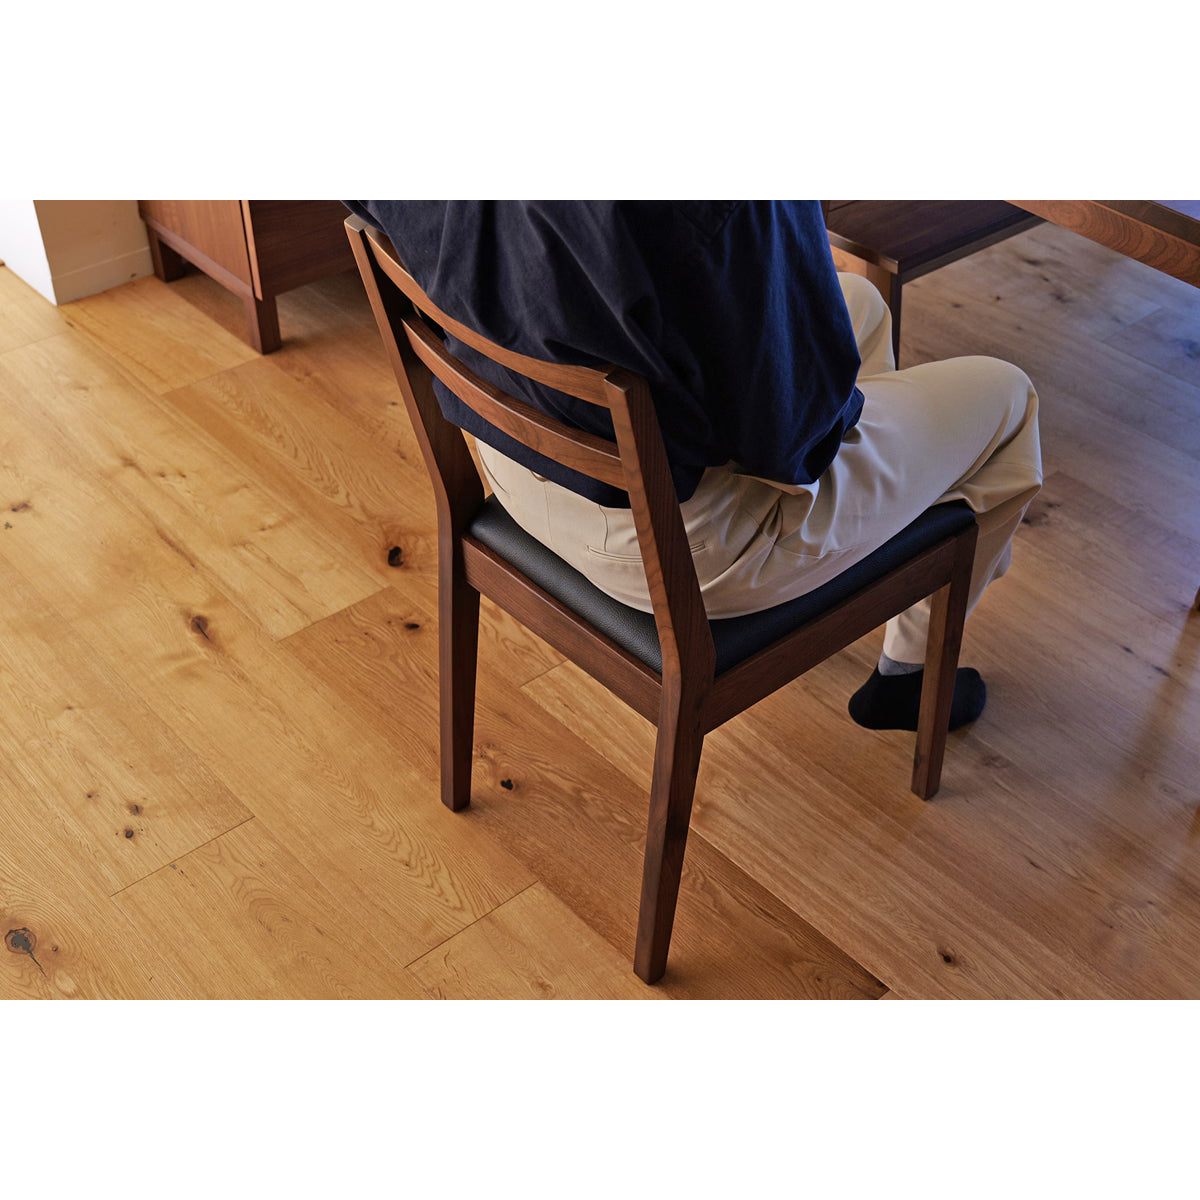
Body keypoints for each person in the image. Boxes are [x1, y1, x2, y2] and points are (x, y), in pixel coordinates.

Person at [345, 201, 1042, 731]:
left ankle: (856, 578)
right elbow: (795, 442)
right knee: (1006, 398)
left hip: (509, 460)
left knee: (859, 304)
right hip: (673, 549)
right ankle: (909, 677)